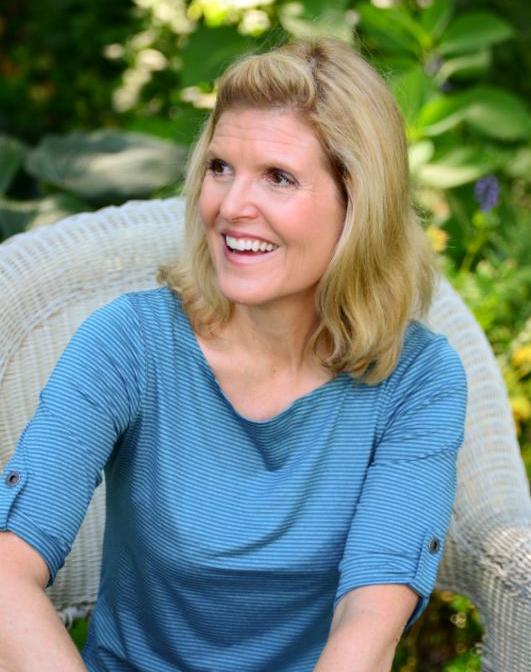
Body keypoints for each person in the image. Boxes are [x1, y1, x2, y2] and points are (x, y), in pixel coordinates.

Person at [0, 38, 467, 672]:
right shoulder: (131, 342)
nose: (229, 206)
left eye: (278, 177)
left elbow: (369, 625)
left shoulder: (417, 380)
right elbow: (7, 569)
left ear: (358, 203)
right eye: (220, 168)